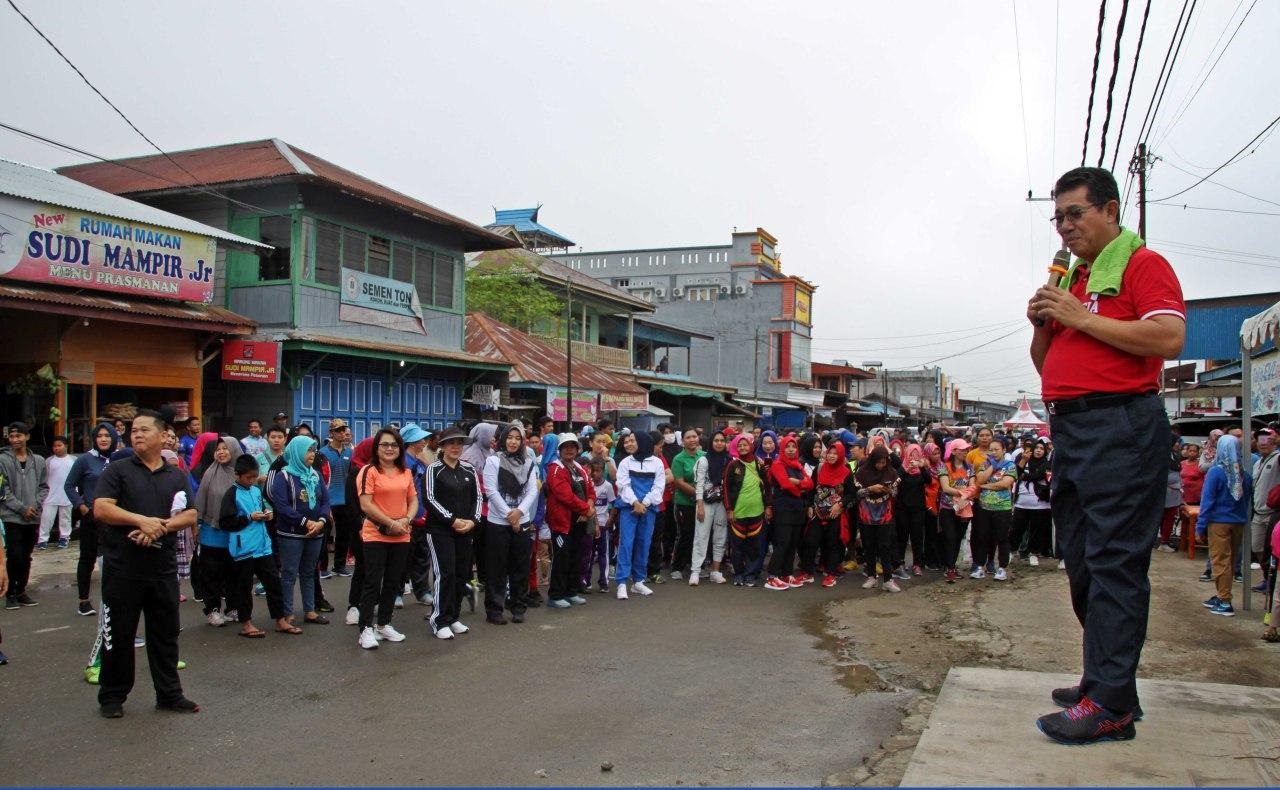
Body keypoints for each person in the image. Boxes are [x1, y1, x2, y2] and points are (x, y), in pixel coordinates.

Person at [1028, 166, 1186, 745]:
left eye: (1075, 213)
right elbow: (1048, 366)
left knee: (1116, 561)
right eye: (1059, 217)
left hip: (1121, 425)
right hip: (1072, 430)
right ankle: (1105, 683)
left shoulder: (1142, 265)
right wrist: (1045, 323)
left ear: (1111, 210)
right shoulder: (1078, 276)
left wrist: (1080, 316)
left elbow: (1168, 338)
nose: (1065, 227)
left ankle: (1112, 708)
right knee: (1083, 559)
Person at [92, 407, 199, 717]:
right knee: (120, 636)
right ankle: (112, 697)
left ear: (162, 435)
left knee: (165, 634)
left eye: (143, 430)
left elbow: (190, 515)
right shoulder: (118, 470)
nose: (135, 434)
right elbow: (101, 508)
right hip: (123, 569)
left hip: (161, 568)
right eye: (133, 430)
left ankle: (169, 693)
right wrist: (141, 521)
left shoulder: (176, 473)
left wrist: (160, 527)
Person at [353, 428, 417, 648]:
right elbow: (365, 504)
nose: (390, 449)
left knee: (393, 581)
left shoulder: (405, 472)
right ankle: (365, 629)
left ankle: (384, 624)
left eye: (394, 445)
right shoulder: (368, 471)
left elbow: (413, 500)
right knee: (372, 581)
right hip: (376, 534)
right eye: (384, 445)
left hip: (402, 534)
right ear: (376, 448)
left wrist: (406, 520)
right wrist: (391, 523)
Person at [217, 453, 289, 639]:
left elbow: (263, 507)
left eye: (254, 476)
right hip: (243, 548)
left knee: (273, 582)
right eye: (248, 477)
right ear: (238, 475)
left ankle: (280, 619)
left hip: (263, 545)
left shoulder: (256, 490)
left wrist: (267, 513)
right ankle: (246, 623)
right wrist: (249, 517)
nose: (252, 480)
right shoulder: (232, 494)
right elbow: (226, 522)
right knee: (244, 587)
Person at [422, 426, 482, 640]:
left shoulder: (469, 470)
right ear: (443, 446)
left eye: (459, 443)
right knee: (445, 574)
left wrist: (473, 521)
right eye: (451, 443)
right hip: (440, 530)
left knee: (460, 574)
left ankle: (453, 616)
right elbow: (429, 500)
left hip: (466, 530)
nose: (455, 447)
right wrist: (452, 520)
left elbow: (478, 498)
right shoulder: (434, 469)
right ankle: (439, 620)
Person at [271, 435, 331, 632]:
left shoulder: (315, 475)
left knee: (309, 571)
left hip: (316, 532)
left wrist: (321, 522)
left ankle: (310, 610)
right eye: (308, 450)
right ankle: (287, 612)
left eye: (313, 450)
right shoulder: (284, 476)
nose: (312, 454)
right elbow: (282, 506)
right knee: (289, 573)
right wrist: (306, 522)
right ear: (297, 452)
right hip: (291, 533)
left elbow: (325, 501)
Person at [480, 423, 537, 625]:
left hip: (521, 520)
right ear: (503, 439)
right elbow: (491, 491)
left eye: (517, 438)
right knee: (497, 567)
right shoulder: (493, 461)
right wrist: (508, 514)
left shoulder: (529, 462)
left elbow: (532, 491)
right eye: (509, 437)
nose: (513, 441)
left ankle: (518, 606)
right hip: (498, 522)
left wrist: (520, 512)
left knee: (520, 566)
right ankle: (494, 609)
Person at [65, 422, 122, 616]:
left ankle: (113, 599)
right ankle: (83, 601)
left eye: (107, 435)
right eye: (99, 436)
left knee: (113, 558)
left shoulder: (118, 459)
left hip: (114, 517)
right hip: (91, 517)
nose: (103, 439)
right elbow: (69, 485)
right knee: (87, 558)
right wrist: (82, 507)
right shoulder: (85, 460)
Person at [1198, 435, 1252, 617]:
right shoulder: (1244, 474)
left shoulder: (1216, 472)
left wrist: (1200, 526)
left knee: (1219, 560)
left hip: (1219, 522)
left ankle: (1225, 600)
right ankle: (1222, 593)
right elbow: (1247, 500)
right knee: (1229, 560)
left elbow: (1207, 501)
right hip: (1238, 522)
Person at [192, 435, 243, 627]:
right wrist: (196, 525)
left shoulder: (242, 473)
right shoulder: (210, 473)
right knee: (211, 573)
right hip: (211, 532)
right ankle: (212, 609)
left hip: (235, 532)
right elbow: (200, 501)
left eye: (225, 448)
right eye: (218, 449)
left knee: (234, 572)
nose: (221, 452)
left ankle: (232, 607)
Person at [544, 433, 595, 609]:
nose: (569, 450)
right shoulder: (555, 469)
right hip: (562, 523)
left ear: (577, 449)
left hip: (579, 521)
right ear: (559, 450)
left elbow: (591, 490)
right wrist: (586, 509)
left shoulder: (579, 468)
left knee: (576, 556)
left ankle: (571, 591)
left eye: (572, 446)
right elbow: (564, 495)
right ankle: (556, 595)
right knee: (562, 557)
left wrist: (588, 507)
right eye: (565, 446)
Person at [1, 422, 47, 609]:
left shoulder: (39, 460)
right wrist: (21, 509)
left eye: (19, 436)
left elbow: (44, 487)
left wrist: (35, 506)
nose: (15, 440)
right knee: (15, 554)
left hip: (33, 517)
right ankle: (10, 592)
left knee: (27, 555)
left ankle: (22, 590)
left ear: (27, 437)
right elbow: (3, 491)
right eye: (12, 437)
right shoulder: (2, 460)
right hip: (11, 516)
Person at [614, 431, 665, 599]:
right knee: (626, 543)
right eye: (627, 441)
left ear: (642, 442)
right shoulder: (625, 463)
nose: (629, 443)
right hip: (629, 507)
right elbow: (623, 485)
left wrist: (645, 503)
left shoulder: (657, 463)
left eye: (633, 440)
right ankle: (622, 582)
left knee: (644, 543)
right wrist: (635, 502)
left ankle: (638, 582)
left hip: (648, 509)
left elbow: (659, 488)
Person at [764, 436, 813, 591]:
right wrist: (801, 489)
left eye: (793, 446)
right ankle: (772, 576)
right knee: (783, 542)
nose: (791, 449)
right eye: (787, 446)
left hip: (798, 509)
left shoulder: (798, 465)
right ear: (782, 448)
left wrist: (798, 483)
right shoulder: (777, 464)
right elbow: (785, 484)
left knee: (793, 542)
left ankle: (786, 573)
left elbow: (810, 484)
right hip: (783, 508)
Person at [807, 441, 857, 588]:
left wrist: (840, 504)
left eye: (835, 453)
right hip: (818, 512)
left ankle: (831, 574)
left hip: (836, 514)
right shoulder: (820, 468)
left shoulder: (847, 472)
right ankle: (807, 571)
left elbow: (851, 494)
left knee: (833, 544)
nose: (832, 456)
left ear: (841, 455)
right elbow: (811, 488)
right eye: (830, 452)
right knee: (810, 541)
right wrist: (809, 505)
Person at [724, 433, 769, 587]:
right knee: (737, 547)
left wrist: (768, 506)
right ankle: (738, 574)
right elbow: (726, 488)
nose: (742, 447)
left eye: (745, 445)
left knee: (754, 546)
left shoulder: (759, 464)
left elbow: (767, 486)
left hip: (757, 512)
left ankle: (751, 575)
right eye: (739, 445)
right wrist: (729, 509)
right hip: (738, 513)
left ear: (751, 446)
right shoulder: (733, 465)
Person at [856, 446, 902, 592]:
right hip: (867, 514)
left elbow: (895, 493)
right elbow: (857, 493)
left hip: (884, 515)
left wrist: (888, 490)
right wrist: (871, 489)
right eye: (878, 462)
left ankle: (888, 579)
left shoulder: (891, 472)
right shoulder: (862, 472)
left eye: (883, 462)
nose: (881, 465)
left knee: (885, 546)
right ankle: (871, 576)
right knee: (869, 545)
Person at [691, 430, 731, 586]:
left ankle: (715, 571)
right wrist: (699, 505)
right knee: (701, 536)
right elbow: (699, 484)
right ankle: (695, 571)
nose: (719, 443)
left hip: (722, 503)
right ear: (711, 442)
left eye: (722, 440)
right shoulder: (703, 460)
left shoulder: (729, 460)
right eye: (716, 440)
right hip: (705, 503)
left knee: (720, 537)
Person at [974, 438, 1016, 581]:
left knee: (1002, 538)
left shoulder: (1010, 465)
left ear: (1004, 450)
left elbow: (1004, 484)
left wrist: (986, 486)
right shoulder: (984, 464)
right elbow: (979, 479)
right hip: (984, 507)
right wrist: (992, 466)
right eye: (990, 450)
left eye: (996, 449)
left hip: (1002, 507)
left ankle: (1002, 568)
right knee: (983, 536)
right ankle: (980, 567)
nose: (993, 452)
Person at [318, 419, 353, 580]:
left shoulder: (349, 452)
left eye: (342, 430)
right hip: (328, 501)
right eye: (337, 430)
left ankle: (339, 565)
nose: (341, 433)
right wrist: (325, 504)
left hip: (345, 500)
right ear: (331, 433)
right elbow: (320, 480)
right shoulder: (323, 453)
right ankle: (323, 568)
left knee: (344, 535)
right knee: (324, 537)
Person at [668, 428, 704, 581]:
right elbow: (679, 482)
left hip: (702, 503)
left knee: (700, 535)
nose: (692, 440)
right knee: (685, 534)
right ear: (682, 441)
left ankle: (696, 565)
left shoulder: (704, 456)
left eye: (694, 436)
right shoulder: (678, 459)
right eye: (688, 437)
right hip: (684, 503)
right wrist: (699, 494)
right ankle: (677, 566)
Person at [1010, 439, 1053, 566]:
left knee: (1037, 530)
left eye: (1042, 448)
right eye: (1037, 448)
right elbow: (1015, 474)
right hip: (1022, 502)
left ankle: (1033, 553)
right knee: (1017, 528)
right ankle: (1011, 551)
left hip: (1041, 503)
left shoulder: (1047, 464)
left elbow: (1039, 476)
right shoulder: (1022, 460)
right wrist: (1023, 462)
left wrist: (1025, 476)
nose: (1039, 450)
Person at [38, 436, 75, 550]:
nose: (57, 448)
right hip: (51, 493)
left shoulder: (73, 460)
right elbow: (44, 477)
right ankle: (42, 539)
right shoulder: (49, 461)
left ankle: (64, 537)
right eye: (55, 446)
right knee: (46, 518)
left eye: (60, 445)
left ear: (66, 446)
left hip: (67, 494)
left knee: (65, 518)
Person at [587, 458, 616, 592]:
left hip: (604, 524)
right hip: (590, 524)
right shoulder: (588, 485)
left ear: (603, 471)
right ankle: (586, 580)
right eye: (593, 471)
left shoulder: (608, 486)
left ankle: (603, 582)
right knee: (589, 553)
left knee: (604, 554)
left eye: (598, 471)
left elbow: (614, 503)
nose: (595, 474)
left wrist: (611, 519)